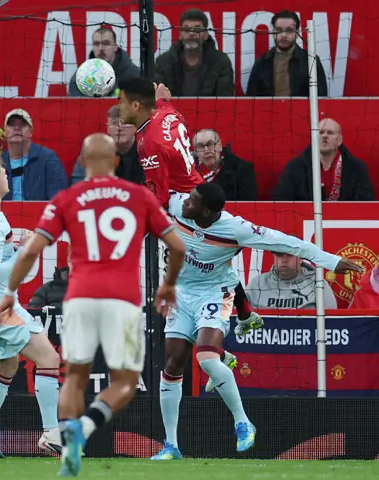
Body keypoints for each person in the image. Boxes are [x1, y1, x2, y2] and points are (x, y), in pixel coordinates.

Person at [0, 133, 186, 476]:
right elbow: (178, 246)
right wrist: (168, 285)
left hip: (80, 297)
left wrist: (10, 292)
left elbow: (30, 250)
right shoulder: (139, 196)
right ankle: (84, 428)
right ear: (116, 162)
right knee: (126, 381)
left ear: (82, 164)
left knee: (75, 376)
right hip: (123, 301)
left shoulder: (68, 198)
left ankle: (69, 439)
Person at [151, 183, 362, 460]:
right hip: (181, 293)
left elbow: (289, 243)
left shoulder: (236, 229)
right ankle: (171, 446)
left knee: (206, 359)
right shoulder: (178, 205)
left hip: (216, 293)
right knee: (173, 363)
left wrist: (332, 262)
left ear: (208, 211)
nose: (184, 203)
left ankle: (242, 422)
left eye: (192, 201)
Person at [117, 78, 264, 336]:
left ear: (139, 105)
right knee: (213, 266)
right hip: (198, 191)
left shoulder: (149, 143)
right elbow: (165, 104)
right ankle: (245, 313)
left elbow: (160, 198)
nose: (119, 108)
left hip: (186, 208)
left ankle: (220, 341)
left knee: (194, 276)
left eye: (123, 102)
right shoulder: (168, 113)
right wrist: (161, 99)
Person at [0, 153, 62, 458]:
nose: (7, 175)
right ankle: (51, 435)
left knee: (6, 366)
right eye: (4, 172)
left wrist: (15, 247)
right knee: (49, 358)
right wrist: (27, 251)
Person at [245, 253, 337, 309]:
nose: (284, 260)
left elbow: (332, 322)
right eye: (279, 255)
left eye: (290, 255)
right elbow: (237, 319)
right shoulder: (257, 284)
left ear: (300, 258)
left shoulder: (317, 283)